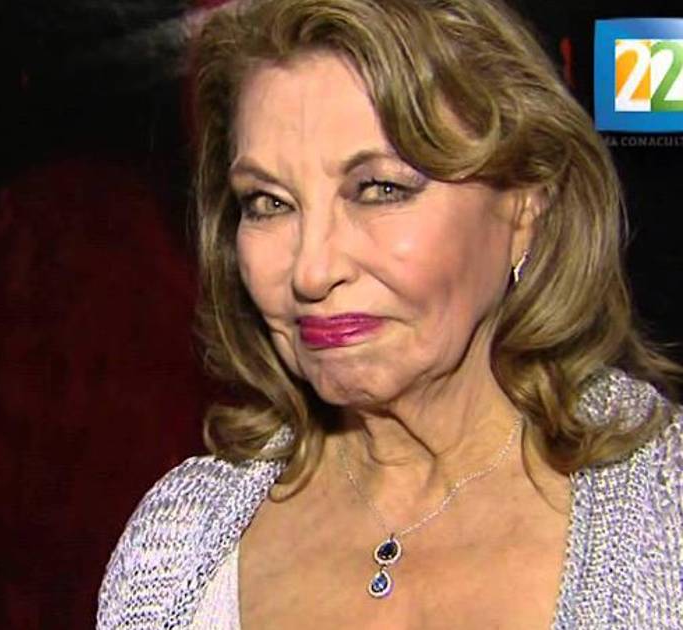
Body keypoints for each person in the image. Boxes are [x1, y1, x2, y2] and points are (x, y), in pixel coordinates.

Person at [96, 0, 683, 627]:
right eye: (269, 202)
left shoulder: (665, 511)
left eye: (380, 189)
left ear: (525, 204)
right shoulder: (178, 548)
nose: (312, 271)